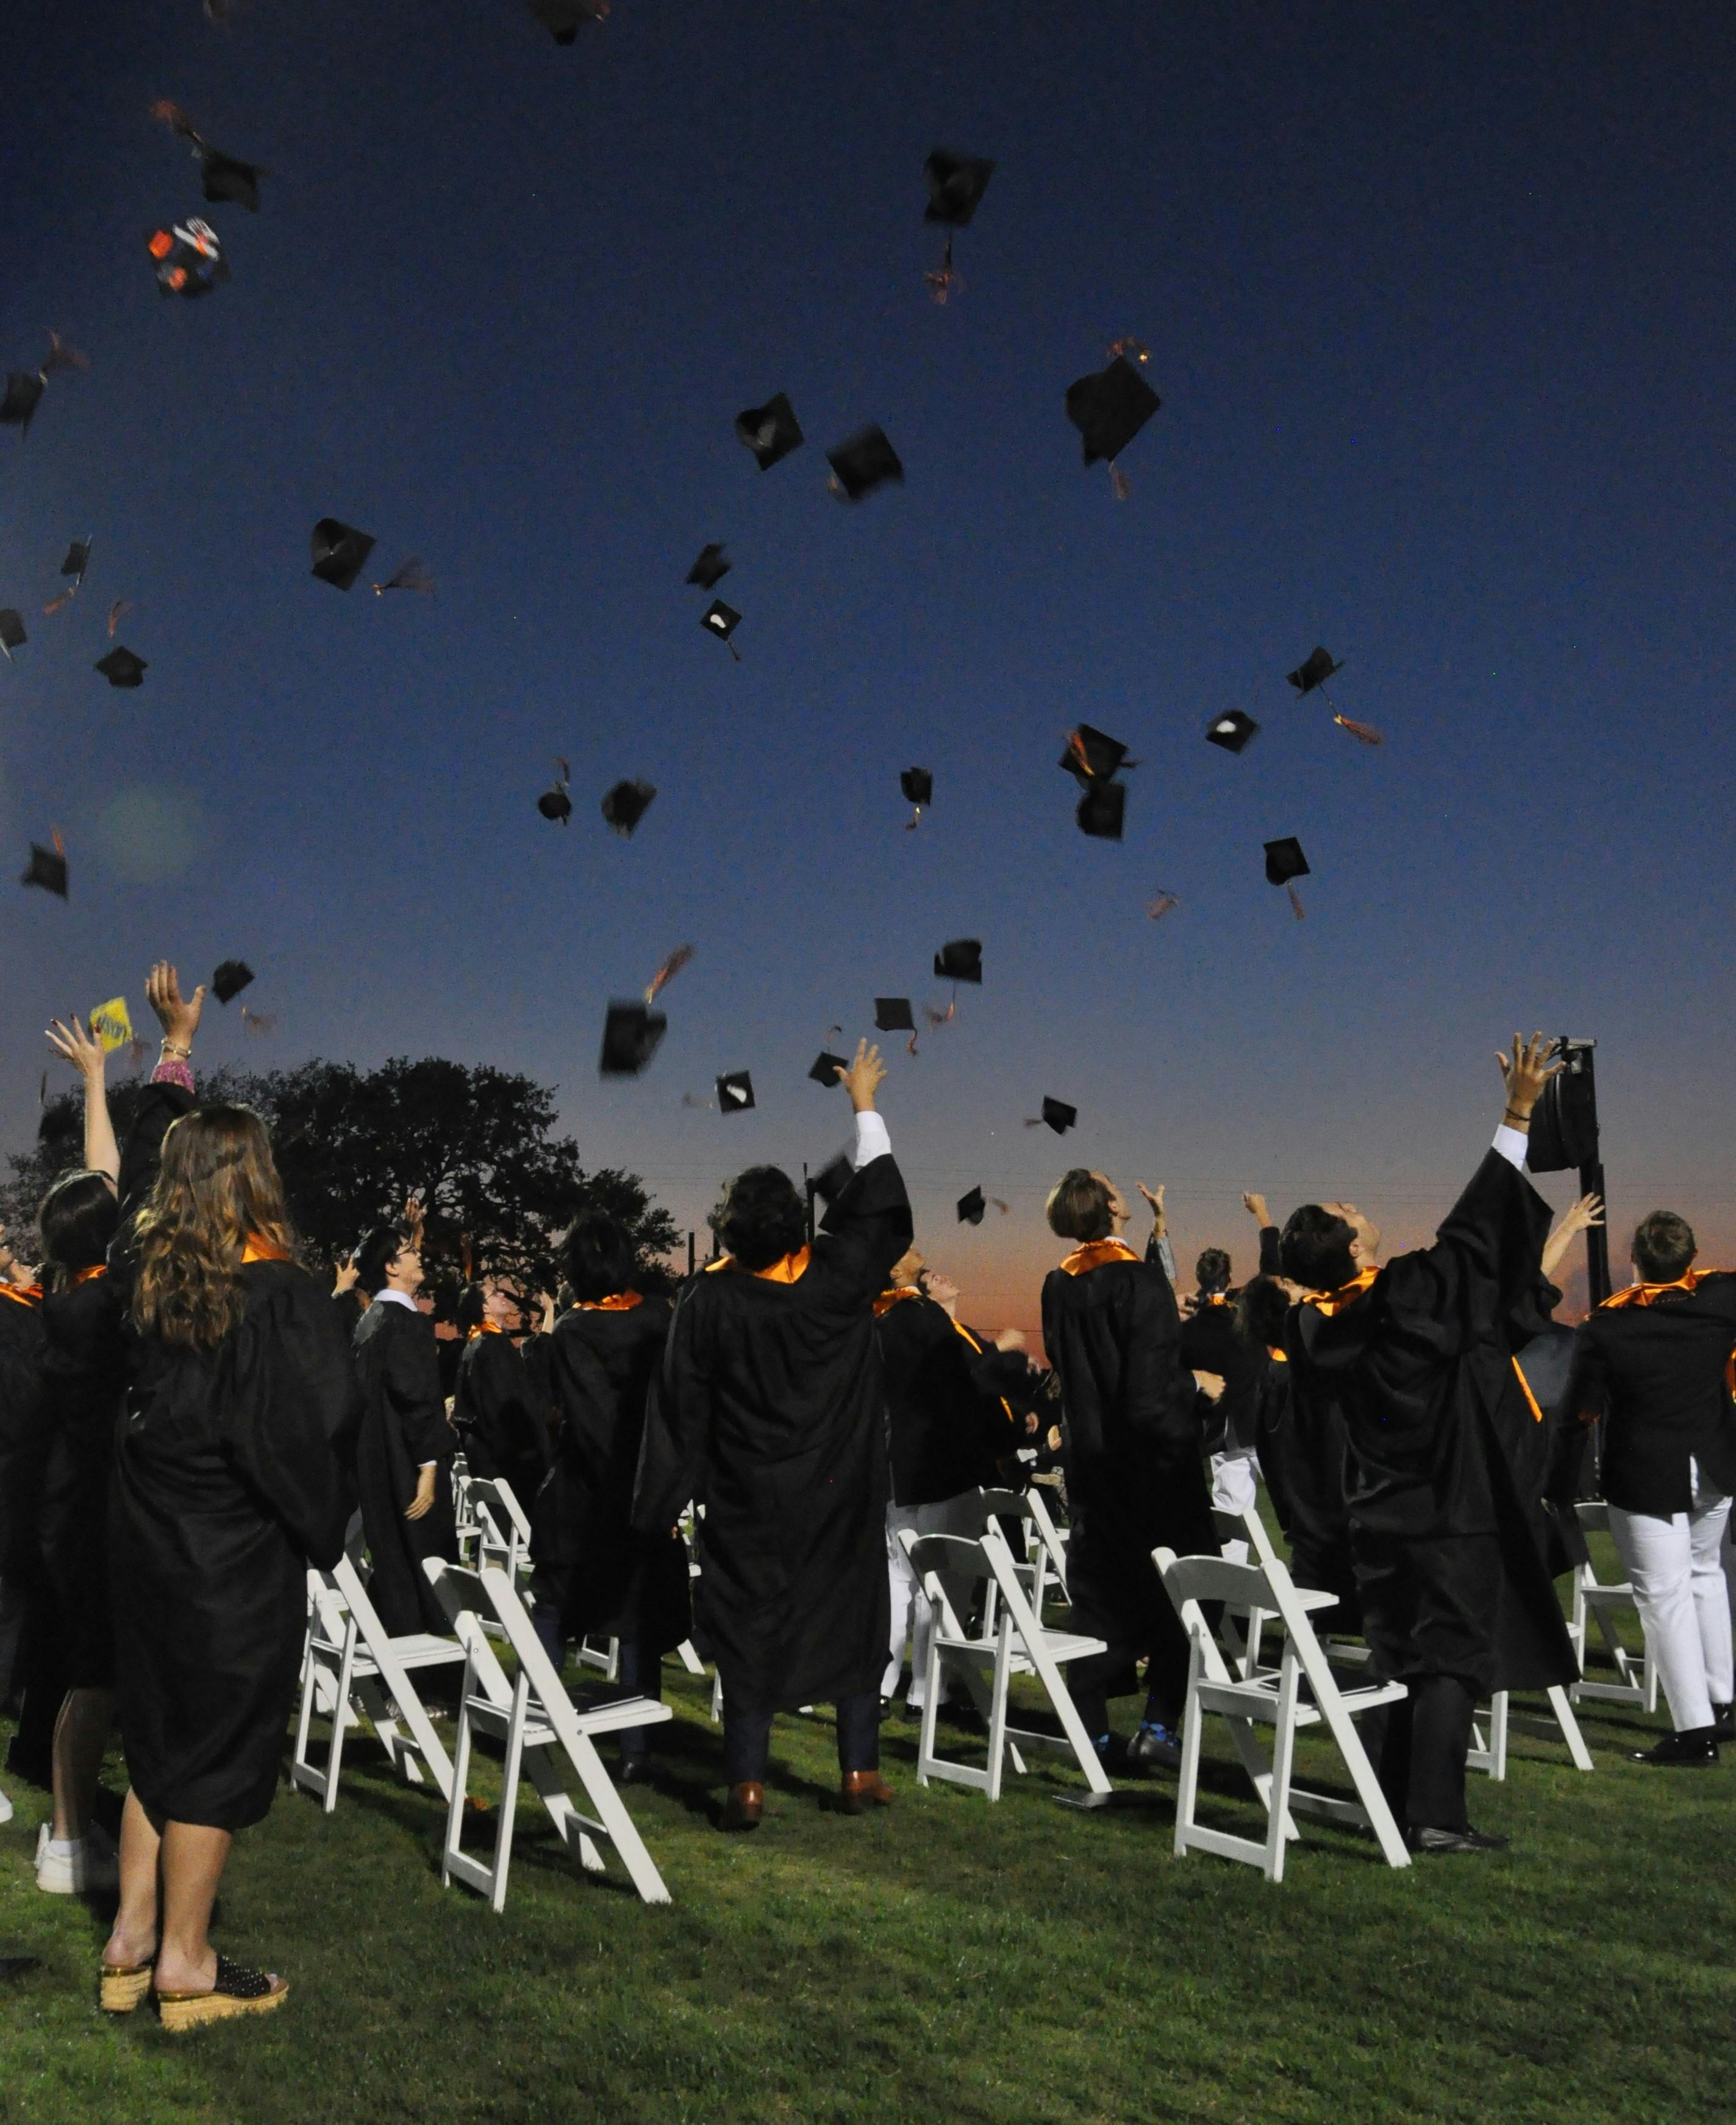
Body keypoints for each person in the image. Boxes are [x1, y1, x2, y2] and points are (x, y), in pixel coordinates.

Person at [101, 962, 359, 2026]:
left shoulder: (146, 1272)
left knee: (157, 1734)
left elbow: (134, 1184)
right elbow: (307, 1441)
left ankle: (127, 1940)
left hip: (144, 1541)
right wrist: (324, 1525)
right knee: (210, 1752)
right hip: (229, 1562)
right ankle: (186, 1964)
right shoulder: (282, 1299)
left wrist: (173, 1049)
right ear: (254, 1179)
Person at [1277, 1031, 1579, 1855]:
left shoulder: (1312, 1325)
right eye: (1342, 1214)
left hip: (1376, 1515)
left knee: (1399, 1660)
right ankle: (1437, 1818)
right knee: (1446, 1663)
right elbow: (1477, 1234)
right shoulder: (1404, 1295)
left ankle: (1390, 1800)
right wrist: (1515, 1113)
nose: (1351, 1204)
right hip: (1446, 1508)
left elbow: (1469, 1252)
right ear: (1348, 1247)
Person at [634, 1041, 911, 1829]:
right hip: (840, 1492)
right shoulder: (837, 1276)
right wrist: (861, 1104)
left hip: (751, 1498)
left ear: (729, 1237)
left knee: (752, 1630)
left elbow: (678, 1408)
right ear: (797, 1226)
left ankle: (746, 1784)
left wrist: (657, 1506)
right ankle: (857, 1771)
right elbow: (880, 1208)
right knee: (854, 1621)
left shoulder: (708, 1303)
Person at [1041, 1167, 1215, 1773]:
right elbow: (1149, 1394)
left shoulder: (1056, 1285)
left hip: (1092, 1469)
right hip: (1150, 1472)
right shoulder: (1139, 1284)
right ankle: (1160, 1726)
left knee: (1099, 1605)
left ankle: (1090, 1735)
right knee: (1192, 1594)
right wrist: (1195, 1387)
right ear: (1111, 1207)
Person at [1556, 1208, 1736, 1763]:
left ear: (1632, 1261)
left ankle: (1694, 1730)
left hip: (1645, 1468)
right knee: (1704, 1576)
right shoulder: (1722, 1299)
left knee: (1663, 1596)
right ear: (1693, 1259)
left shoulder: (1604, 1328)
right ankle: (1722, 1699)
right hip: (1714, 1463)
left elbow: (1581, 1410)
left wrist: (1557, 1479)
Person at [529, 1212, 688, 1780]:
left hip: (581, 1496)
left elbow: (594, 1424)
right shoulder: (658, 1316)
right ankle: (636, 1748)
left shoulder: (572, 1331)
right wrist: (661, 1494)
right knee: (638, 1616)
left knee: (553, 1605)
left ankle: (544, 1734)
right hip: (649, 1489)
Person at [30, 1014, 129, 1894]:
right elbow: (108, 1179)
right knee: (97, 1681)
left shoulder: (64, 1302)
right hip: (96, 1512)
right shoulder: (107, 1305)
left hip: (65, 1509)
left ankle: (68, 1831)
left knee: (84, 1677)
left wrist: (98, 1078)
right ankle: (67, 1843)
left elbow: (100, 1181)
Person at [873, 1250, 1019, 1716]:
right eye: (905, 1248)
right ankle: (926, 1690)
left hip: (897, 1467)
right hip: (942, 1464)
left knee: (898, 1580)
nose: (917, 1250)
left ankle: (881, 1682)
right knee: (941, 1583)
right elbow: (965, 1387)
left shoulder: (874, 1319)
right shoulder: (923, 1317)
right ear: (895, 1270)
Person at [353, 1217, 457, 1638]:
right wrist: (429, 1468)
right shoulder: (403, 1322)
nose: (419, 1254)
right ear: (391, 1267)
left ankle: (389, 1677)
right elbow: (416, 1398)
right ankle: (424, 1685)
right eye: (410, 1251)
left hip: (380, 1462)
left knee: (394, 1564)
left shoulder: (371, 1319)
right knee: (423, 1565)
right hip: (406, 1466)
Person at [1178, 1192, 1282, 1526]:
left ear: (1198, 1277)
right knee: (1295, 1507)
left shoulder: (1187, 1327)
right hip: (1264, 1423)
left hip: (1221, 1431)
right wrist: (1263, 1216)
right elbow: (1272, 1273)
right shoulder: (1244, 1310)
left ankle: (1228, 1578)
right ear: (1230, 1275)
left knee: (1232, 1522)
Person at [452, 1279, 547, 1510]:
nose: (503, 1295)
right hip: (509, 1465)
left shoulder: (475, 1345)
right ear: (484, 1308)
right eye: (495, 1293)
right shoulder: (491, 1345)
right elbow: (508, 1406)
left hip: (487, 1459)